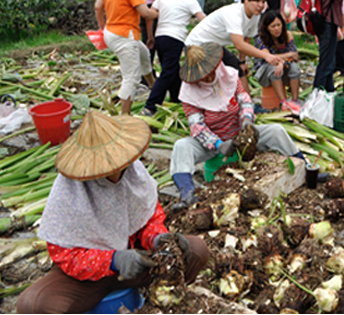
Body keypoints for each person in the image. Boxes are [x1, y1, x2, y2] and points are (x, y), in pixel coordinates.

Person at [16, 111, 209, 314]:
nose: (116, 175)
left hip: (138, 263)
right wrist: (114, 260)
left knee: (196, 250)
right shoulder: (69, 191)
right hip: (88, 278)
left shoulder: (133, 171)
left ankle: (162, 297)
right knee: (32, 305)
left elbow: (149, 217)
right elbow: (65, 254)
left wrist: (158, 239)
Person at [169, 43, 312, 208]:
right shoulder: (189, 93)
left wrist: (247, 122)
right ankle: (187, 195)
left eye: (210, 73)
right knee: (182, 146)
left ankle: (307, 170)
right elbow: (197, 127)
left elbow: (245, 100)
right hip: (213, 143)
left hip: (239, 135)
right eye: (203, 77)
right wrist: (218, 144)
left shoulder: (228, 76)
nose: (208, 78)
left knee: (276, 131)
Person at [185, 0, 282, 95]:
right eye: (257, 1)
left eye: (263, 2)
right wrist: (266, 55)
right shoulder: (234, 13)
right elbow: (239, 45)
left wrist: (242, 61)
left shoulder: (255, 15)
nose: (260, 5)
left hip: (215, 46)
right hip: (197, 45)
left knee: (239, 70)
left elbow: (247, 39)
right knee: (213, 77)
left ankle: (247, 105)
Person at [94, 0, 158, 115]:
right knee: (132, 78)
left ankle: (154, 88)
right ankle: (125, 117)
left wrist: (101, 27)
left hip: (110, 33)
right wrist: (158, 12)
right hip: (124, 36)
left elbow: (97, 6)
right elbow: (145, 12)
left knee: (144, 54)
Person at [142, 0, 206, 116]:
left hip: (160, 37)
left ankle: (176, 98)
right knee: (168, 72)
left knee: (172, 69)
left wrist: (150, 36)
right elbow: (202, 19)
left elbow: (149, 16)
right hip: (175, 38)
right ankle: (150, 106)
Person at [254, 11, 302, 114]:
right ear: (267, 27)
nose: (277, 29)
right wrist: (287, 56)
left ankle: (294, 101)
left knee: (294, 67)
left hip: (284, 68)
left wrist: (281, 62)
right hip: (264, 72)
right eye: (273, 26)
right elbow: (269, 58)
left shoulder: (287, 35)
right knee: (273, 67)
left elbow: (295, 57)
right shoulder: (261, 39)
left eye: (278, 25)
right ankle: (283, 102)